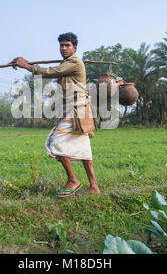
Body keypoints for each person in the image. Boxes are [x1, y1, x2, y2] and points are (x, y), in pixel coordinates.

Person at [10, 32, 100, 197]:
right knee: (84, 148)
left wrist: (26, 66)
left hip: (76, 109)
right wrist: (27, 64)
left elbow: (51, 72)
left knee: (56, 142)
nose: (64, 48)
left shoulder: (74, 62)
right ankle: (93, 186)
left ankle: (73, 180)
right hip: (76, 109)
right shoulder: (68, 63)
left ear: (75, 48)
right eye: (61, 45)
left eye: (67, 45)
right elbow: (57, 71)